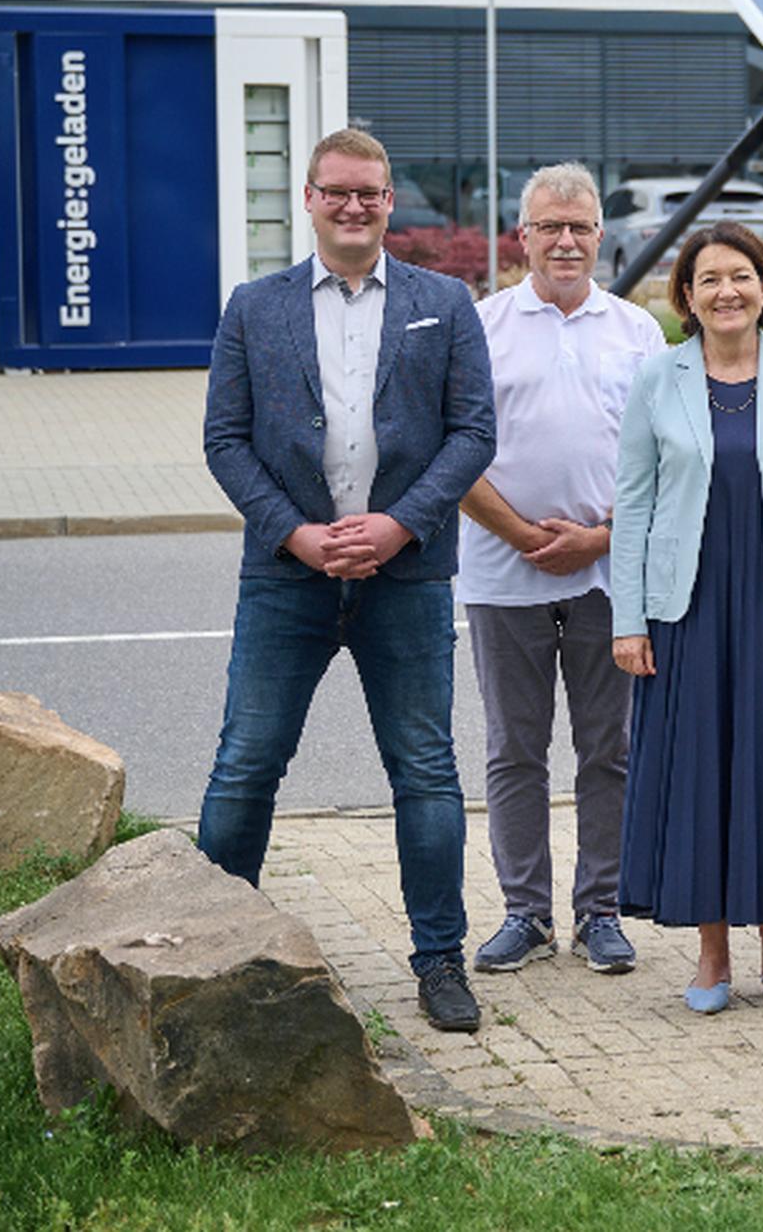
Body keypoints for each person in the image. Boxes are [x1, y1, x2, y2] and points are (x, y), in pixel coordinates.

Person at [199, 127, 497, 1033]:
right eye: (338, 192)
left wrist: (402, 523)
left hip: (405, 576)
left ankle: (439, 961)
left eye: (370, 192)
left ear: (388, 201)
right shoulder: (255, 306)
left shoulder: (443, 303)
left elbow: (474, 432)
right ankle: (212, 947)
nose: (355, 207)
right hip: (286, 576)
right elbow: (224, 440)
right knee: (246, 768)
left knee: (426, 772)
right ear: (310, 198)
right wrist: (293, 535)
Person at [609, 222, 763, 1014]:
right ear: (686, 295)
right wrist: (629, 619)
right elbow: (635, 505)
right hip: (687, 610)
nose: (727, 291)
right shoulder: (658, 379)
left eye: (741, 276)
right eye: (709, 278)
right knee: (701, 776)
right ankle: (710, 959)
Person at [457, 163, 667, 979]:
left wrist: (600, 537)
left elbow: (662, 461)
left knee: (608, 748)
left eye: (580, 226)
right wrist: (516, 532)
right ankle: (525, 914)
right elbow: (454, 450)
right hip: (501, 572)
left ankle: (602, 911)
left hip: (606, 576)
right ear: (523, 236)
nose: (566, 241)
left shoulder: (637, 332)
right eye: (550, 226)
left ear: (601, 235)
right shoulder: (479, 326)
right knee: (514, 751)